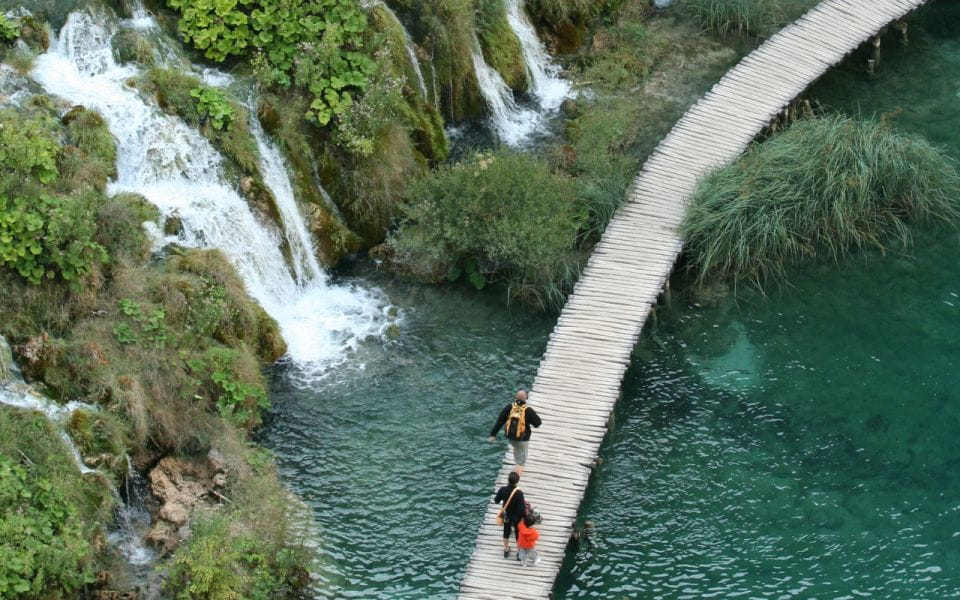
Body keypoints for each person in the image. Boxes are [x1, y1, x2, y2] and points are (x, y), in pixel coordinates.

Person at [488, 389, 542, 474]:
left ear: (516, 397)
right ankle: (516, 475)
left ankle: (517, 461)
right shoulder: (528, 410)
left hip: (510, 437)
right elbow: (538, 423)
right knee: (521, 461)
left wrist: (493, 435)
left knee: (516, 447)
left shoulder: (509, 407)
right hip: (522, 439)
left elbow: (500, 421)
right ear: (526, 398)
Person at [493, 471, 525, 559]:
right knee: (518, 534)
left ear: (508, 480)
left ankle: (506, 549)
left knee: (506, 532)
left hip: (507, 515)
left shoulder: (503, 489)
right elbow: (522, 509)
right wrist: (524, 518)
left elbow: (496, 500)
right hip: (516, 517)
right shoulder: (519, 493)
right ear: (517, 481)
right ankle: (519, 553)